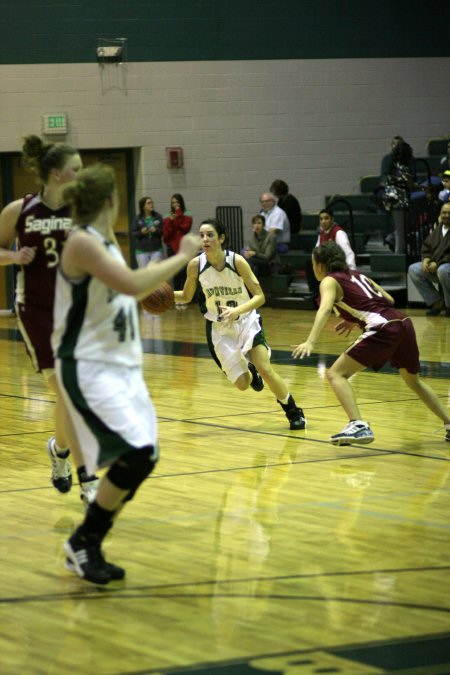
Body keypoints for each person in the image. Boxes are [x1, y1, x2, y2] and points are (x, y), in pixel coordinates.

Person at [51, 164, 200, 584]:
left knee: (145, 454)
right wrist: (183, 256)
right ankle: (84, 542)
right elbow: (133, 285)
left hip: (121, 365)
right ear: (112, 201)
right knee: (135, 453)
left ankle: (85, 542)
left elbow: (120, 295)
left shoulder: (106, 241)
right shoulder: (81, 242)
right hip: (88, 365)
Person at [0, 134, 98, 505]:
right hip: (36, 312)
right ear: (57, 174)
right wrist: (12, 258)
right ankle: (88, 480)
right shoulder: (19, 211)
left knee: (69, 396)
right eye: (77, 169)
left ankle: (59, 453)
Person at [292, 241, 450, 445]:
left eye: (313, 264)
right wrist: (353, 317)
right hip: (403, 322)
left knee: (335, 374)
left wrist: (310, 341)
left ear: (320, 265)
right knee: (414, 381)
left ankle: (358, 424)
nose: (313, 268)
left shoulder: (329, 281)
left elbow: (324, 309)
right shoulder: (358, 275)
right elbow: (389, 299)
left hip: (383, 327)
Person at [173, 217, 306, 431]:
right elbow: (186, 296)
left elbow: (260, 297)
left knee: (266, 368)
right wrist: (160, 295)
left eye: (210, 235)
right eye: (202, 236)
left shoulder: (237, 261)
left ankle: (293, 411)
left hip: (246, 319)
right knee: (242, 384)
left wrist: (238, 311)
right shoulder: (195, 266)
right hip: (219, 328)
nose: (205, 239)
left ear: (222, 238)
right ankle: (250, 372)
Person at [407, 202, 450, 316]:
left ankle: (449, 305)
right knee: (414, 269)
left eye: (449, 213)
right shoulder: (438, 229)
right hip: (436, 265)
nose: (447, 215)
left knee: (443, 270)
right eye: (444, 213)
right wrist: (426, 259)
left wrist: (439, 263)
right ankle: (437, 302)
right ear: (440, 214)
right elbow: (427, 246)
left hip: (445, 267)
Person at [306, 208, 356, 299]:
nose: (323, 221)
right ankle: (316, 293)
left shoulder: (339, 233)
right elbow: (315, 251)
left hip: (337, 265)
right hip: (327, 264)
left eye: (326, 218)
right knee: (309, 264)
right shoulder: (321, 233)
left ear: (332, 219)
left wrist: (352, 272)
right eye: (321, 219)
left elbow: (349, 253)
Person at [381, 141, 418, 253]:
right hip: (399, 199)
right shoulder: (403, 168)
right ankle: (399, 256)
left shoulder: (392, 166)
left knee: (400, 228)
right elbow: (410, 185)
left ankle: (391, 240)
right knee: (401, 230)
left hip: (390, 198)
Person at [162, 193, 193, 292]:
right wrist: (171, 221)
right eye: (173, 202)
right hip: (172, 248)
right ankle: (177, 296)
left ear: (181, 203)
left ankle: (185, 295)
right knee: (175, 273)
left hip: (183, 247)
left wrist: (179, 214)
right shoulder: (167, 216)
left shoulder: (187, 214)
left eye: (177, 202)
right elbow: (166, 235)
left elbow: (185, 228)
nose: (175, 204)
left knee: (184, 272)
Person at [131, 196, 164, 267]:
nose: (151, 204)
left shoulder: (158, 217)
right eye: (148, 203)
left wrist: (156, 230)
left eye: (152, 203)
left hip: (156, 250)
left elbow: (164, 232)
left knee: (156, 274)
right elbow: (133, 234)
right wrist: (141, 232)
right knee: (144, 274)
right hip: (142, 251)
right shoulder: (137, 219)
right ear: (143, 206)